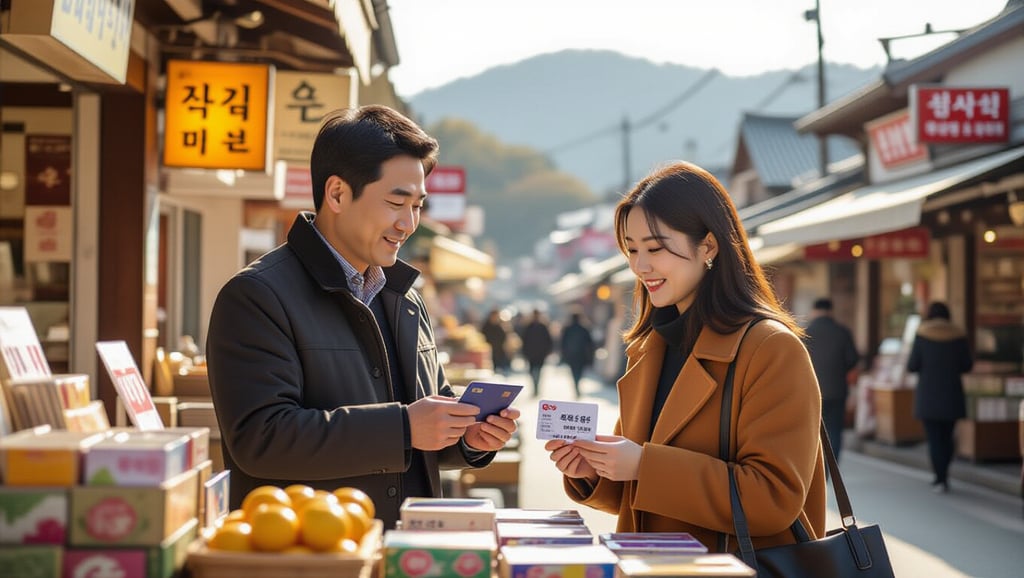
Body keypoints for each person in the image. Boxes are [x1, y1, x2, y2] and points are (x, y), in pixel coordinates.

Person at [206, 105, 519, 529]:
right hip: (312, 556)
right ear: (336, 194)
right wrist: (405, 427)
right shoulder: (256, 296)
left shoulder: (405, 296)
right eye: (396, 202)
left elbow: (430, 416)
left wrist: (468, 439)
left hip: (407, 551)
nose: (408, 224)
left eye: (418, 206)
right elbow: (261, 438)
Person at [545, 161, 826, 552]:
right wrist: (596, 471)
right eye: (632, 249)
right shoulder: (649, 347)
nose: (640, 266)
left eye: (656, 248)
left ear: (708, 245)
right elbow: (639, 491)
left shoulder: (771, 349)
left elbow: (774, 498)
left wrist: (644, 464)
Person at [906, 301, 973, 494]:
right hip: (952, 392)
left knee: (934, 437)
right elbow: (967, 365)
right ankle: (944, 474)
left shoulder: (922, 334)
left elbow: (912, 365)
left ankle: (939, 477)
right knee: (947, 435)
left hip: (928, 393)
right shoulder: (958, 335)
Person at [803, 297, 859, 462]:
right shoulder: (842, 332)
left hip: (811, 391)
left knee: (813, 430)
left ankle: (817, 466)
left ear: (814, 310)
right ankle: (831, 467)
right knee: (834, 430)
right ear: (831, 311)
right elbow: (852, 360)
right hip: (837, 389)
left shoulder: (805, 332)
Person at [560, 312, 596, 398]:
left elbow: (563, 343)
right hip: (581, 355)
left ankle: (576, 385)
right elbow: (590, 344)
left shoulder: (567, 329)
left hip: (571, 355)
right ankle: (577, 385)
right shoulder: (584, 329)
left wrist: (564, 354)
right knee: (579, 372)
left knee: (573, 372)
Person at [520, 309, 554, 397]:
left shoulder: (541, 326)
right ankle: (535, 386)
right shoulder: (529, 326)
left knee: (536, 371)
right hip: (534, 353)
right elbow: (524, 340)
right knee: (533, 371)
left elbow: (548, 340)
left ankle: (536, 387)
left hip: (538, 353)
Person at [480, 308, 511, 373]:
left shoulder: (500, 327)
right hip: (488, 353)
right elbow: (482, 338)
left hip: (499, 353)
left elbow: (504, 338)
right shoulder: (485, 327)